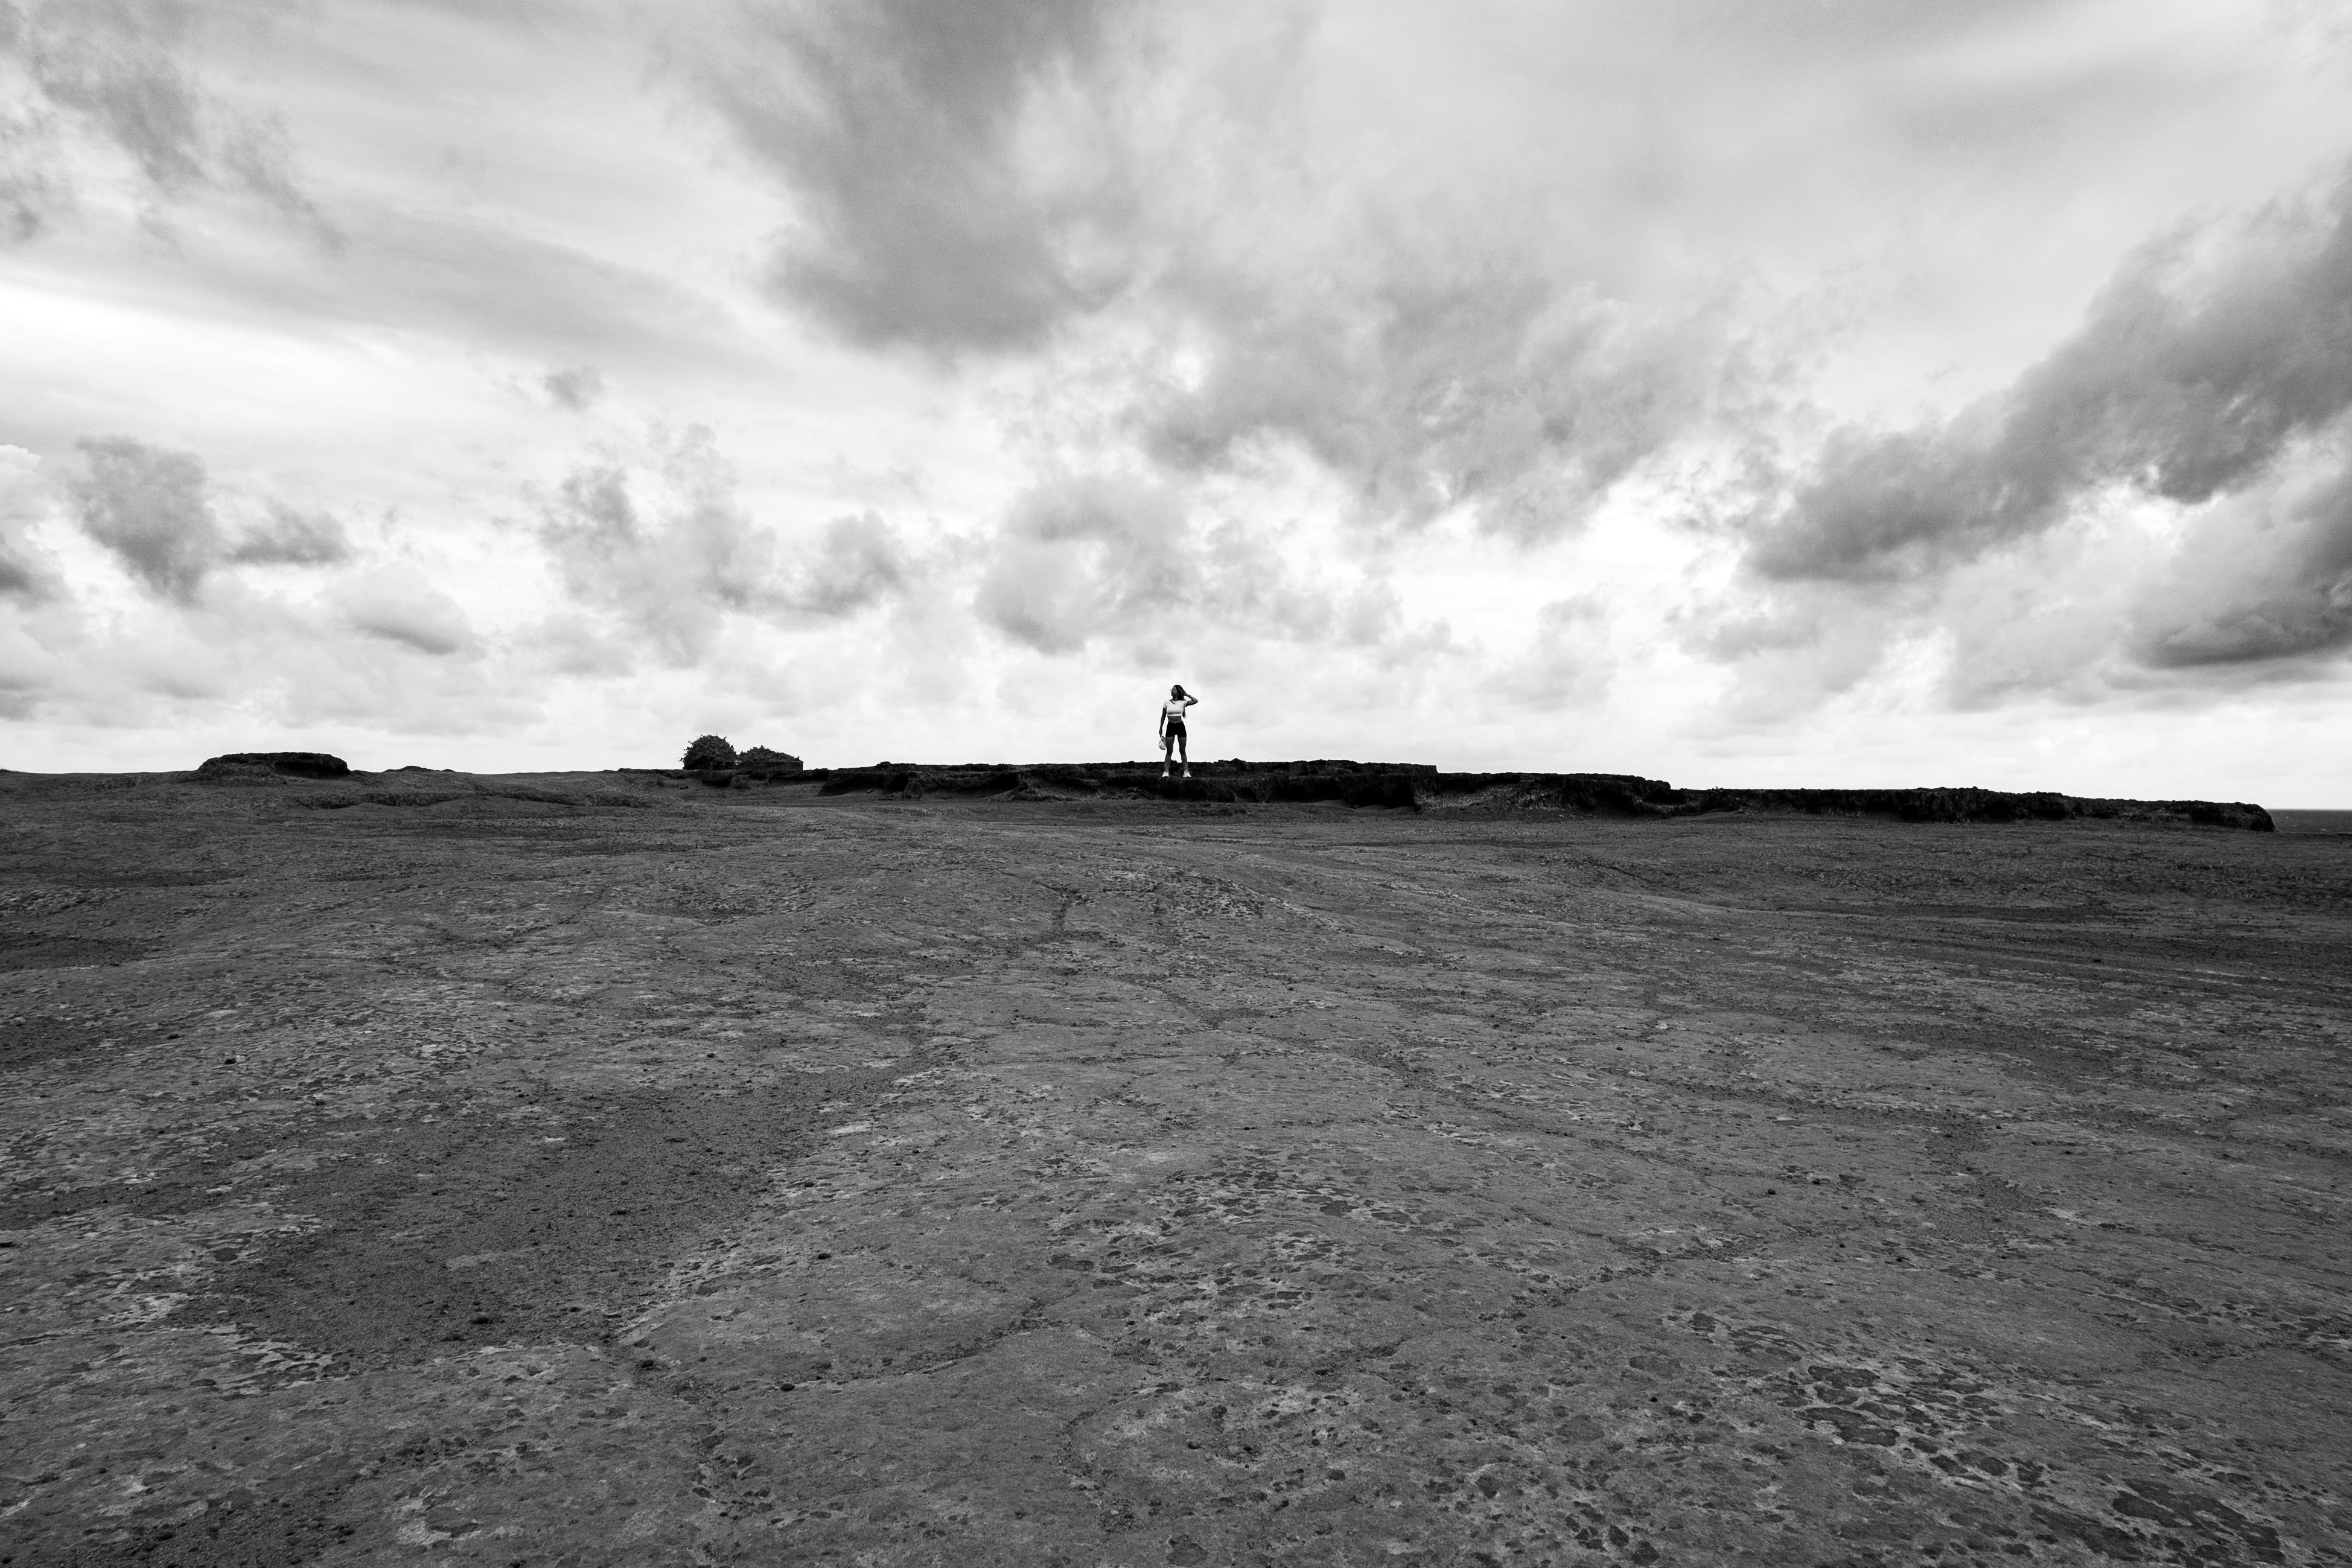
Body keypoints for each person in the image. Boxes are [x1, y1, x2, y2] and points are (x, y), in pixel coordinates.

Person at [1158, 684, 1198, 777]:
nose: (1172, 691)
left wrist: (1187, 694)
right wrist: (1161, 728)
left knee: (1182, 750)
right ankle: (1166, 771)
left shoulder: (1183, 702)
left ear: (1178, 692)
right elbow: (1163, 716)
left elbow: (1196, 701)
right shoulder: (1167, 702)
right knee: (1169, 751)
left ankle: (1186, 771)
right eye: (1172, 689)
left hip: (1180, 727)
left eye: (1174, 690)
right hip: (1170, 727)